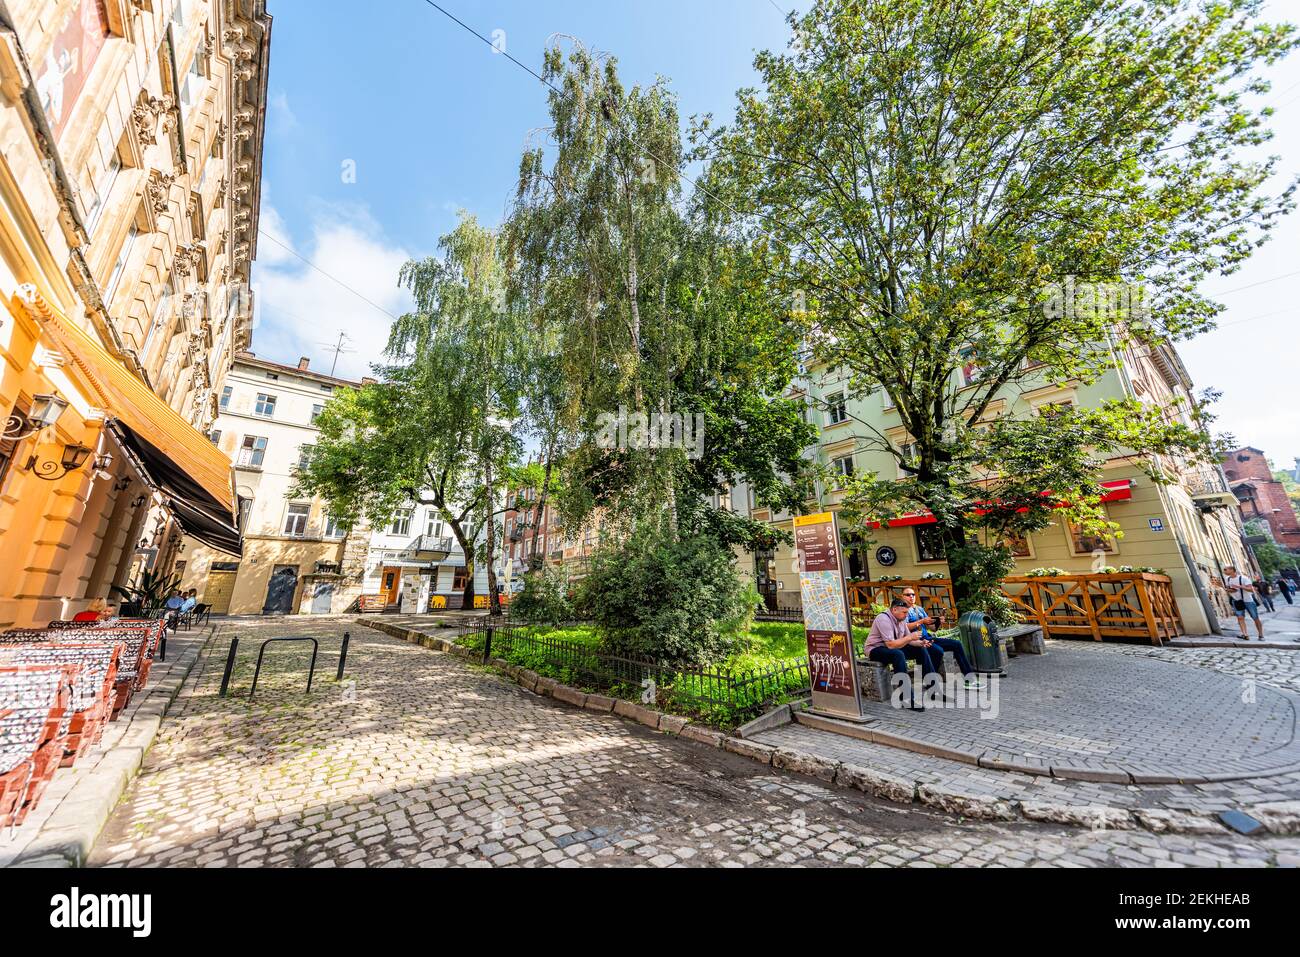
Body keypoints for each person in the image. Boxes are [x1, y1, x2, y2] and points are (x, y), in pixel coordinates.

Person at [900, 587, 982, 688]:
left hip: (927, 637)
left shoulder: (919, 609)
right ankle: (929, 680)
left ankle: (969, 679)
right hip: (914, 640)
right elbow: (903, 627)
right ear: (902, 597)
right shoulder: (902, 610)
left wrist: (938, 622)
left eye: (913, 594)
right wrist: (921, 622)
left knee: (956, 644)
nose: (911, 597)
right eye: (908, 595)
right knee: (937, 650)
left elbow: (933, 628)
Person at [865, 598, 940, 710]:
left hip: (894, 647)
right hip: (875, 649)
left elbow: (909, 641)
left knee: (921, 650)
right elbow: (890, 644)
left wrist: (921, 643)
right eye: (904, 612)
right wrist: (910, 637)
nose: (906, 615)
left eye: (907, 612)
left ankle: (933, 690)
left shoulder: (902, 620)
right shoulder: (883, 619)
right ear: (894, 609)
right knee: (898, 654)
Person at [1223, 565, 1264, 640]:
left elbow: (1251, 590)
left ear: (1232, 570)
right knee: (1240, 618)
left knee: (1255, 617)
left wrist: (1240, 587)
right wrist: (1227, 590)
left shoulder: (1244, 578)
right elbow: (1232, 590)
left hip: (1248, 600)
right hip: (1237, 601)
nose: (1224, 571)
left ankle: (1261, 635)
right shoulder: (1227, 579)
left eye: (1225, 569)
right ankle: (1245, 634)